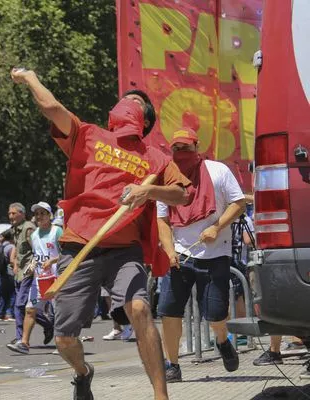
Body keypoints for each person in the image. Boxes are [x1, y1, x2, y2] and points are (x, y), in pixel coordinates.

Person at [11, 67, 193, 400]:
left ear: (146, 121)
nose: (127, 102)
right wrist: (31, 77)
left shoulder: (157, 159)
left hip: (125, 251)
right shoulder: (88, 134)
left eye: (136, 101)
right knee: (65, 338)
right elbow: (52, 110)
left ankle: (160, 395)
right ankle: (82, 372)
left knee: (139, 309)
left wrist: (147, 192)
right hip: (79, 247)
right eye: (125, 99)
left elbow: (183, 194)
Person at [156, 127, 246, 383]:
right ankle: (172, 365)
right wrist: (169, 251)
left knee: (216, 315)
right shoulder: (167, 178)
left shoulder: (218, 171)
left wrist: (216, 227)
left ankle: (222, 340)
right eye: (176, 148)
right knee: (169, 313)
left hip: (215, 254)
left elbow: (238, 203)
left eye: (186, 147)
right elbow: (162, 219)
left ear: (197, 147)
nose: (181, 152)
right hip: (180, 257)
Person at [7, 201, 61, 354]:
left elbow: (67, 253)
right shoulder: (35, 234)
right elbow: (36, 255)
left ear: (49, 215)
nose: (39, 216)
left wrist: (52, 260)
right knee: (30, 309)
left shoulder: (57, 232)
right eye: (37, 214)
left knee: (58, 311)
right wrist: (31, 266)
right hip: (40, 279)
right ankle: (24, 343)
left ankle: (61, 343)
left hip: (56, 278)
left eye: (42, 213)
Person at [0, 230, 15, 321]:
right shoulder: (11, 247)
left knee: (3, 295)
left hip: (2, 273)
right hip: (10, 273)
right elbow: (12, 260)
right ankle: (12, 314)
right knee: (14, 294)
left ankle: (1, 314)